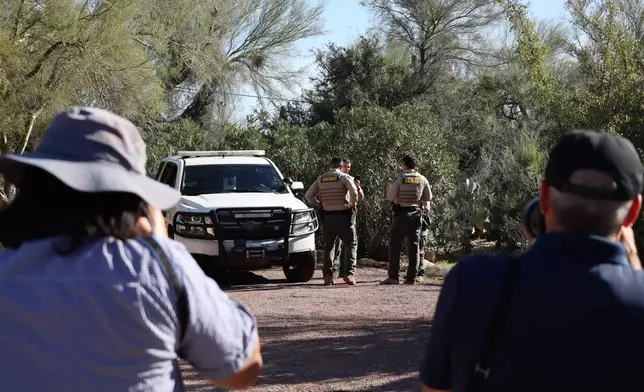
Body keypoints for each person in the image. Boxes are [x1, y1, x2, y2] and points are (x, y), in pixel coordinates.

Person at [0, 107, 263, 391]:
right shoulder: (158, 268)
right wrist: (161, 247)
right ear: (133, 203)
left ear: (31, 193)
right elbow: (241, 370)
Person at [420, 129, 644, 392]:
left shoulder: (472, 281)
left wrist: (534, 259)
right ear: (632, 212)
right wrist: (634, 262)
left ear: (545, 198)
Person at [305, 157, 358, 285]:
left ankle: (328, 276)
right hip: (343, 216)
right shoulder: (344, 178)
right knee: (351, 244)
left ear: (330, 165)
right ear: (341, 166)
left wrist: (319, 205)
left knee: (329, 246)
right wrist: (352, 203)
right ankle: (349, 274)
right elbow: (354, 193)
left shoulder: (321, 179)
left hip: (328, 217)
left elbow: (308, 196)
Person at [381, 155, 432, 285]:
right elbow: (428, 197)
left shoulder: (400, 178)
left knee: (395, 244)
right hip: (416, 214)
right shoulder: (422, 179)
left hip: (402, 214)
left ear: (404, 165)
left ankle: (393, 276)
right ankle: (411, 277)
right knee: (414, 246)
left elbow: (390, 197)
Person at [331, 158, 365, 278]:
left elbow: (361, 197)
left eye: (349, 167)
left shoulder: (351, 179)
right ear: (340, 166)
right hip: (338, 213)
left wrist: (358, 187)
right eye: (345, 166)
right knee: (336, 243)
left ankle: (345, 271)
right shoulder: (337, 179)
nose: (347, 169)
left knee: (349, 243)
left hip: (350, 214)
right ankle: (334, 270)